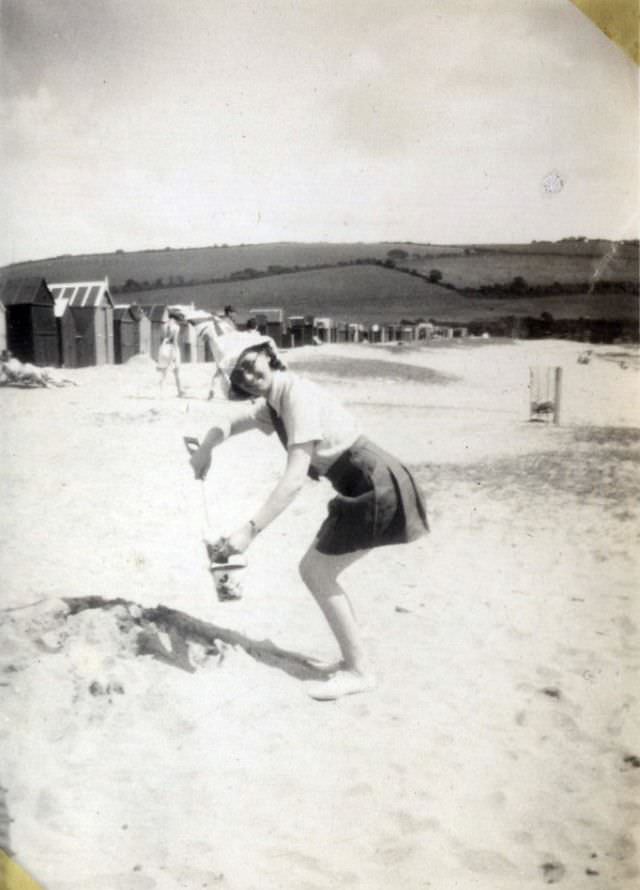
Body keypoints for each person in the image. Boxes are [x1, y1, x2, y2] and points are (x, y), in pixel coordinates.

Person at [188, 333, 428, 700]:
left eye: (251, 367)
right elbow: (233, 422)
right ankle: (355, 662)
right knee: (318, 571)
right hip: (362, 481)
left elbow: (294, 479)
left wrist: (249, 532)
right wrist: (206, 447)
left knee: (316, 571)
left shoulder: (295, 396)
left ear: (268, 355)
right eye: (239, 376)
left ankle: (360, 671)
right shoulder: (276, 399)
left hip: (373, 482)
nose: (249, 379)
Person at [156, 310, 184, 397]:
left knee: (163, 372)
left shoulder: (163, 326)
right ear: (175, 318)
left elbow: (162, 338)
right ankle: (180, 391)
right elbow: (174, 340)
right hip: (172, 348)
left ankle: (161, 392)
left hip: (163, 348)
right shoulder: (176, 327)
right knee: (177, 370)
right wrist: (175, 352)